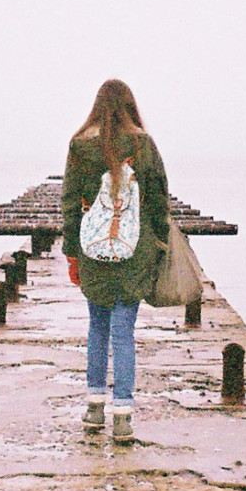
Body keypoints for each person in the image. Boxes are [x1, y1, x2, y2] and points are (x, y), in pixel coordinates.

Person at [61, 79, 170, 444]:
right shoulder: (143, 144)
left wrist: (72, 252)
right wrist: (160, 243)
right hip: (133, 251)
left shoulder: (79, 146)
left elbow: (68, 203)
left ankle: (94, 408)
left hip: (94, 252)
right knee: (124, 333)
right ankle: (122, 415)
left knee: (97, 327)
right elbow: (158, 199)